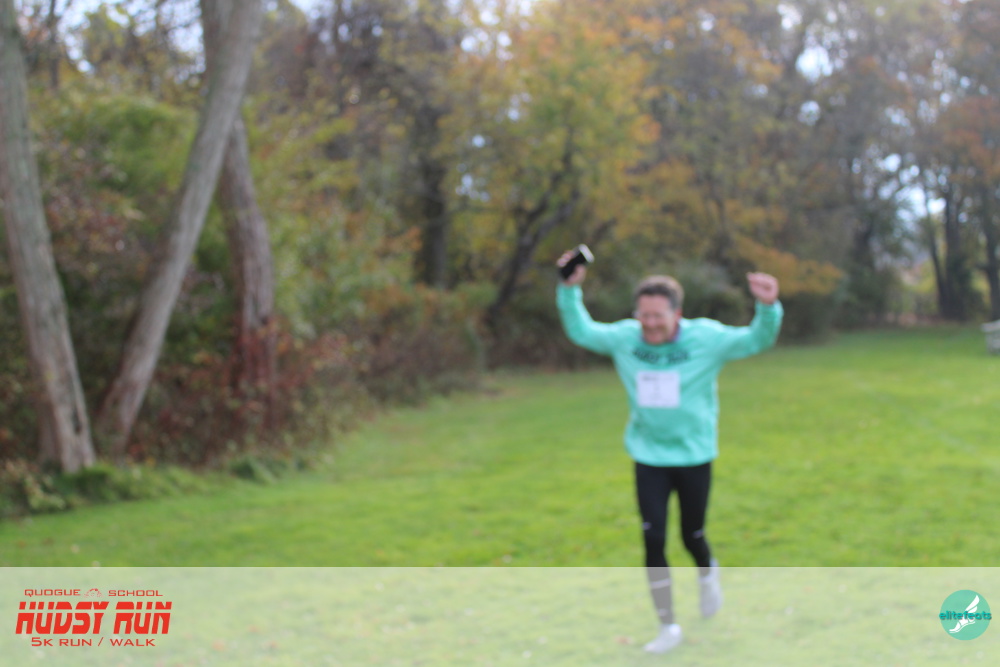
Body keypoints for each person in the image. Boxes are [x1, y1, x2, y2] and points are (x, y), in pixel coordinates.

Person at [555, 251, 782, 654]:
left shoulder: (706, 339)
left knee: (692, 535)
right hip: (649, 457)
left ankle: (707, 574)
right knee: (654, 539)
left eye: (658, 316)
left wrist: (768, 307)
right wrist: (569, 289)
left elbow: (755, 340)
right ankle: (667, 625)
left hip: (694, 455)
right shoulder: (626, 339)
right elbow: (582, 331)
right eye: (643, 315)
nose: (649, 323)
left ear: (677, 313)